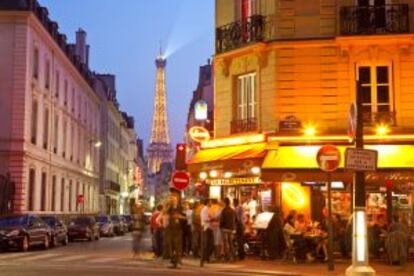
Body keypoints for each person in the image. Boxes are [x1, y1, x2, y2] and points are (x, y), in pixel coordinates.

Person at [165, 196, 184, 269]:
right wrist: (168, 204)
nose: (172, 201)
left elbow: (184, 216)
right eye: (171, 200)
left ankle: (176, 262)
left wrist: (179, 216)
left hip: (178, 229)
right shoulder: (170, 208)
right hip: (171, 229)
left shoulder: (180, 207)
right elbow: (165, 212)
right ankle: (173, 262)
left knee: (177, 246)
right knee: (171, 246)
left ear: (176, 200)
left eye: (173, 200)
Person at [220, 197, 236, 262]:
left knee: (226, 244)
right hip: (231, 229)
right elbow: (235, 220)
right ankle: (233, 256)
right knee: (231, 243)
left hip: (225, 229)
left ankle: (228, 257)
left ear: (225, 202)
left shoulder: (224, 210)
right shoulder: (232, 210)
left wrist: (220, 226)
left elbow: (222, 220)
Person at [200, 198, 213, 266]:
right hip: (206, 228)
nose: (211, 203)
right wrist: (212, 219)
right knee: (205, 245)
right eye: (210, 202)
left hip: (209, 228)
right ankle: (202, 260)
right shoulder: (205, 209)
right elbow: (205, 219)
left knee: (209, 244)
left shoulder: (208, 209)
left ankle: (207, 258)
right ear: (207, 202)